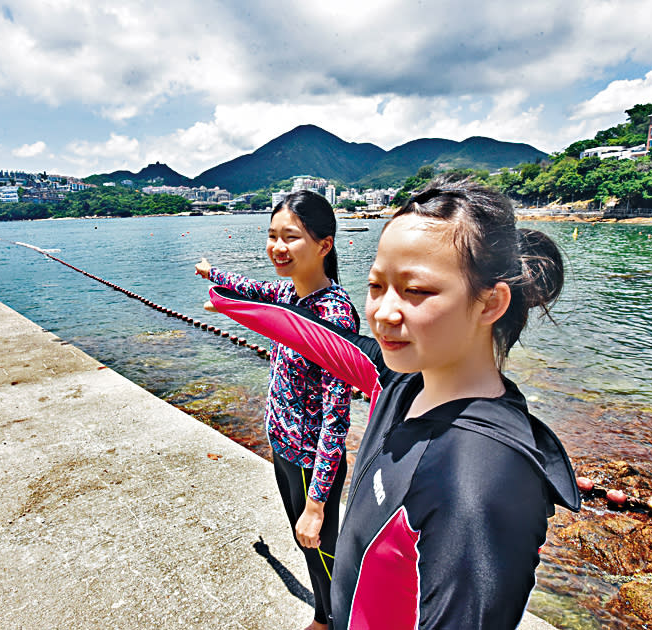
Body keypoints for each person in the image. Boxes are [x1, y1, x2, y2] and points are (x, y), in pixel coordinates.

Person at [206, 177, 580, 630]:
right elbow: (310, 332)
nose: (383, 312)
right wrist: (225, 300)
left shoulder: (480, 484)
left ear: (489, 303)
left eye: (416, 291)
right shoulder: (399, 384)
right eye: (376, 286)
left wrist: (318, 502)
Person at [195, 190, 358, 630]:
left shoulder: (334, 315)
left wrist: (318, 502)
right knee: (306, 545)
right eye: (272, 236)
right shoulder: (287, 293)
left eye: (291, 237)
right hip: (281, 442)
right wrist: (215, 276)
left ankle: (336, 621)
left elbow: (336, 416)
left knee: (322, 546)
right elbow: (251, 288)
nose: (277, 248)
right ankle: (324, 618)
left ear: (324, 245)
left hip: (310, 458)